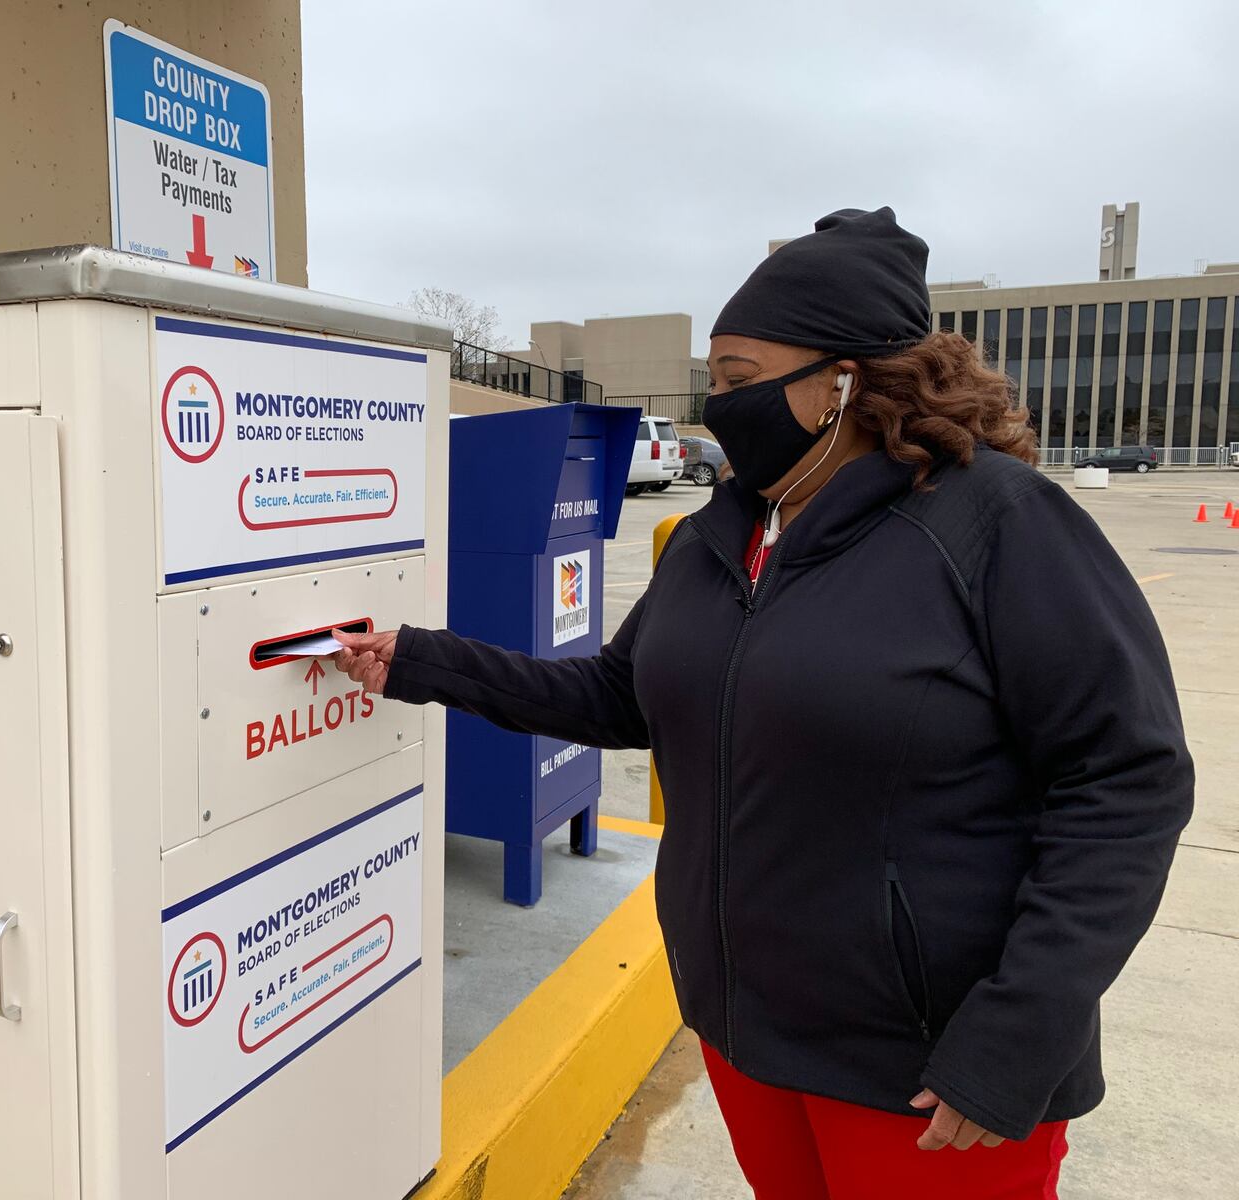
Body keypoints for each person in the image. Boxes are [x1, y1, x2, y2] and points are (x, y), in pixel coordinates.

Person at [333, 207, 1194, 1199]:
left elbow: (1126, 779)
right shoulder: (723, 532)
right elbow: (621, 698)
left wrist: (1016, 1035)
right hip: (747, 1037)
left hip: (925, 1079)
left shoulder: (995, 521)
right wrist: (419, 661)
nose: (717, 405)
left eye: (740, 379)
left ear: (844, 381)